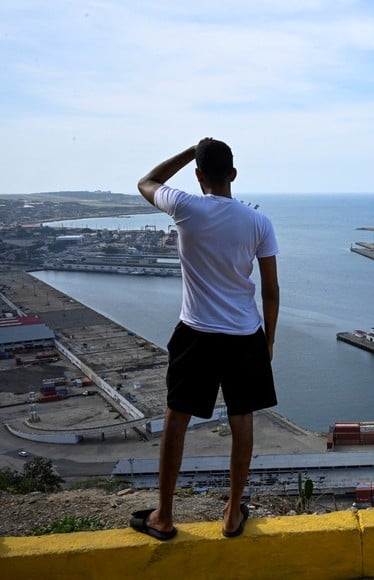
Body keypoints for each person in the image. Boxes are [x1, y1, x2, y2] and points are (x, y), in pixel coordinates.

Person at [129, 138, 280, 540]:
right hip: (245, 335)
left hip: (195, 333)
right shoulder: (258, 223)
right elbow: (270, 290)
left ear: (198, 176)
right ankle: (232, 513)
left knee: (176, 416)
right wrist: (269, 339)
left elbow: (147, 181)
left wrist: (187, 151)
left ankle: (163, 515)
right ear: (233, 174)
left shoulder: (185, 206)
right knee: (241, 419)